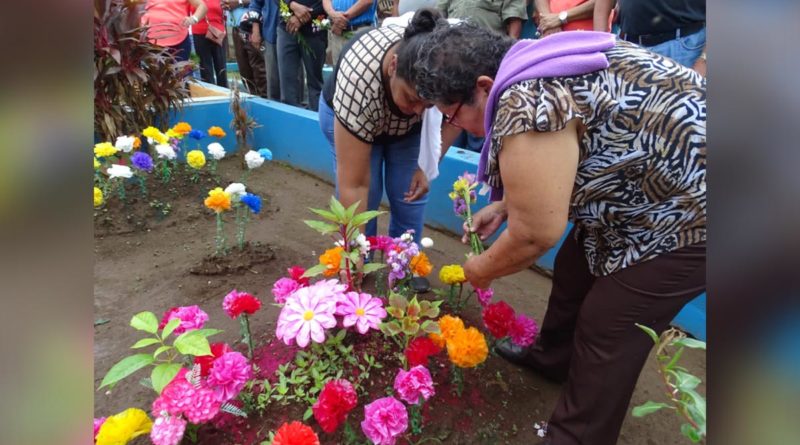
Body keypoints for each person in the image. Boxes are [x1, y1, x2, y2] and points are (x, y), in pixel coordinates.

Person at [413, 24, 705, 445]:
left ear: (484, 85)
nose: (452, 122)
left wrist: (480, 269)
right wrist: (506, 204)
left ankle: (575, 436)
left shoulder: (527, 99)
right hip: (651, 190)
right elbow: (565, 155)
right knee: (575, 264)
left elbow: (535, 235)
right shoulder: (533, 60)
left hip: (700, 210)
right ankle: (552, 359)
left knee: (610, 324)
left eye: (452, 112)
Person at [318, 8, 461, 245]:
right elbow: (354, 185)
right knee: (367, 193)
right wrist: (353, 256)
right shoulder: (359, 77)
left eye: (428, 105)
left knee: (409, 193)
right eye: (412, 98)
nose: (417, 111)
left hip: (403, 133)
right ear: (393, 66)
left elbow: (456, 118)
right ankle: (362, 260)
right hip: (351, 116)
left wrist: (428, 165)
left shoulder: (444, 71)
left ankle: (404, 263)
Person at [594, 0, 706, 76]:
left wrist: (703, 62)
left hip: (682, 48)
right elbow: (602, 6)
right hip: (627, 48)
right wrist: (600, 48)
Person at [276, 0, 328, 111]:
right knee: (287, 83)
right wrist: (292, 5)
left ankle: (316, 122)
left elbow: (328, 3)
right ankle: (290, 123)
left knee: (315, 83)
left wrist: (301, 17)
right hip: (287, 27)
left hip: (315, 29)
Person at [224, 0, 268, 97]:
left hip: (253, 26)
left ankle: (266, 103)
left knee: (260, 72)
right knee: (245, 73)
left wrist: (239, 2)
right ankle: (255, 103)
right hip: (235, 26)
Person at [141, 0, 208, 62]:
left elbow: (202, 6)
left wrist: (193, 19)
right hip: (148, 39)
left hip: (179, 41)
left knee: (180, 73)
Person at [323, 0, 378, 65]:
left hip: (359, 32)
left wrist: (340, 20)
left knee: (359, 69)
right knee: (338, 71)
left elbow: (367, 1)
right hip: (337, 32)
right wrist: (332, 14)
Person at [249, 0, 282, 100]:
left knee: (294, 82)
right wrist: (255, 30)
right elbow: (255, 4)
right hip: (271, 33)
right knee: (273, 82)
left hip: (294, 33)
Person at [191, 0, 228, 86]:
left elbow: (225, 11)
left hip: (218, 33)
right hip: (199, 33)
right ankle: (210, 94)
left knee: (221, 67)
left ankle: (225, 93)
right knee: (205, 69)